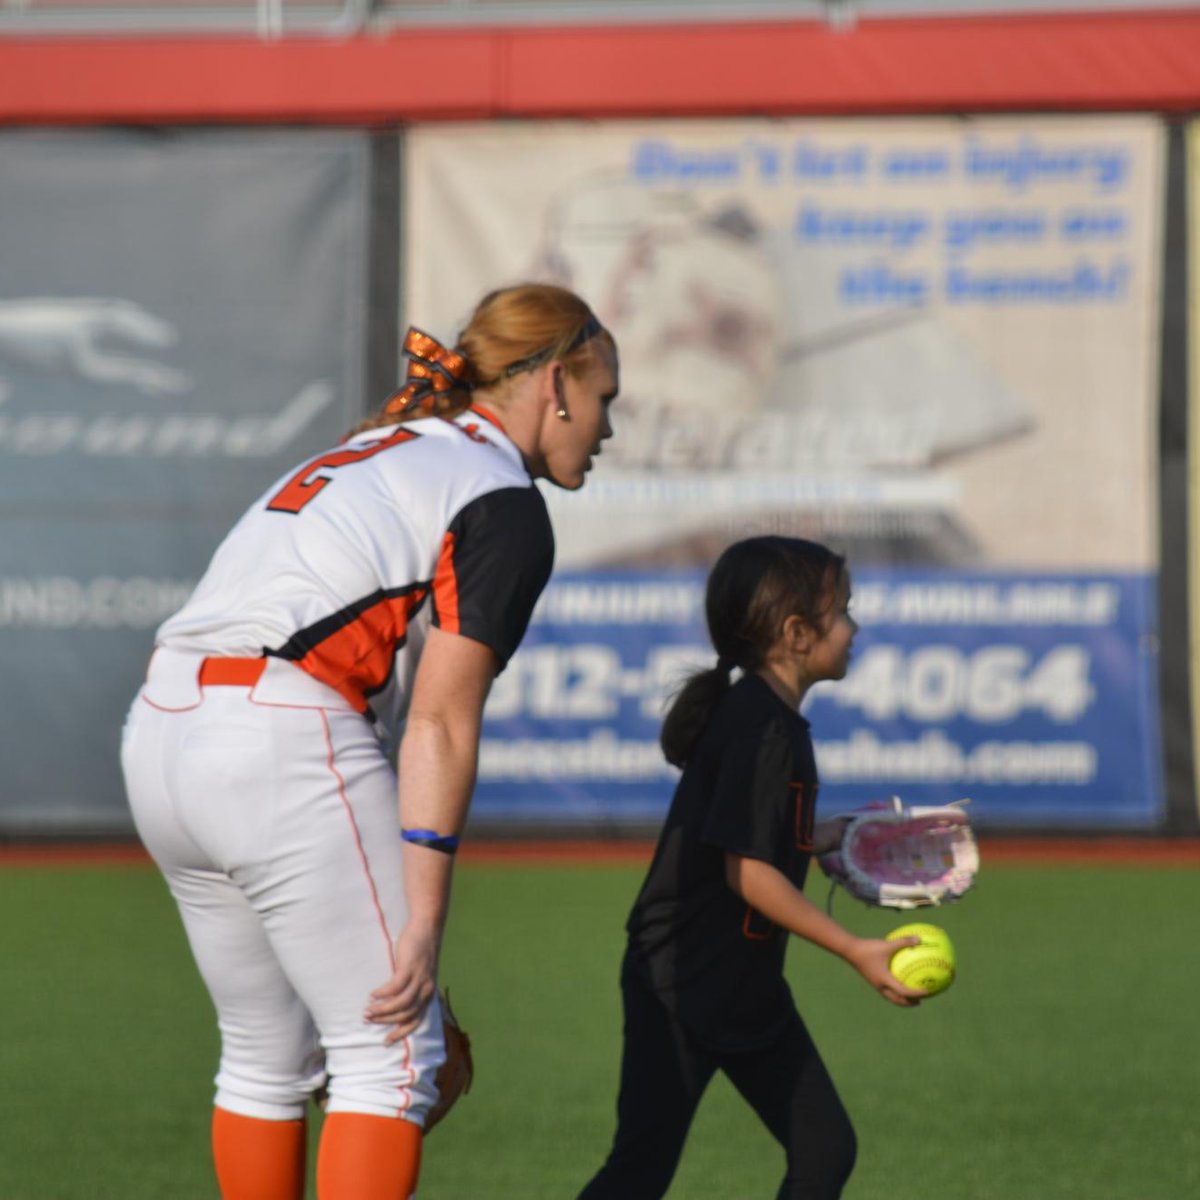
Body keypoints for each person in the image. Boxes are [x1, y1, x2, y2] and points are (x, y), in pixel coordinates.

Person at [120, 283, 619, 1200]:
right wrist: (423, 925)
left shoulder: (375, 449)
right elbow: (439, 720)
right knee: (390, 1060)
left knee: (265, 1059)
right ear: (555, 383)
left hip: (162, 725)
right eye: (603, 399)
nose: (607, 426)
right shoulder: (501, 496)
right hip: (277, 732)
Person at [575, 536, 926, 1200]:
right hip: (678, 984)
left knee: (825, 1151)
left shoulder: (768, 720)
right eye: (843, 610)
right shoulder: (763, 729)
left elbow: (750, 839)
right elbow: (749, 874)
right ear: (797, 634)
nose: (854, 626)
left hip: (744, 985)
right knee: (639, 1171)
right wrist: (857, 950)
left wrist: (825, 838)